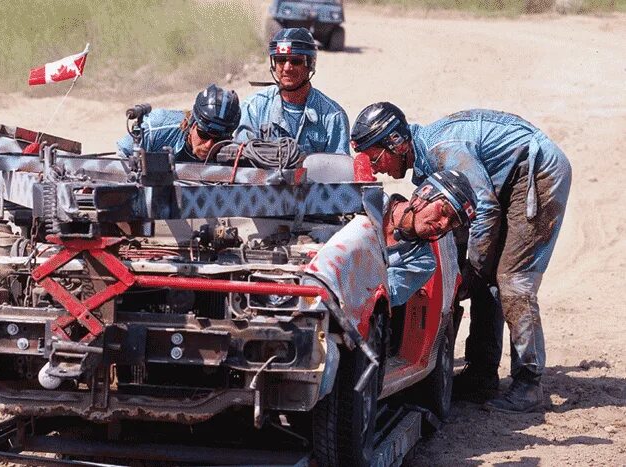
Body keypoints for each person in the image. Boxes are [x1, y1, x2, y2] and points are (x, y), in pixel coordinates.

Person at [350, 104, 572, 413]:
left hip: (538, 172)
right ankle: (482, 376)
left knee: (511, 279)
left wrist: (471, 274)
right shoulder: (431, 158)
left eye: (375, 157)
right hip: (509, 178)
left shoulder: (443, 149)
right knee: (488, 278)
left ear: (396, 143)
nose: (376, 169)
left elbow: (484, 211)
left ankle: (528, 384)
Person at [234, 27, 350, 155]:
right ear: (274, 64)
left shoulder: (333, 117)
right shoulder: (254, 108)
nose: (287, 68)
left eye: (296, 61)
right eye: (281, 60)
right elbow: (240, 162)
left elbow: (338, 169)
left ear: (310, 65)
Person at [385, 170, 477, 307]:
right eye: (444, 211)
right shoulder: (368, 201)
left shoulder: (422, 261)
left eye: (453, 224)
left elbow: (382, 295)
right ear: (425, 192)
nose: (444, 224)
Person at [117, 84, 240, 162]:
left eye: (218, 140)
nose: (208, 145)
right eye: (203, 135)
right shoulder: (155, 129)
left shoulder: (233, 152)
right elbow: (121, 157)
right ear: (192, 123)